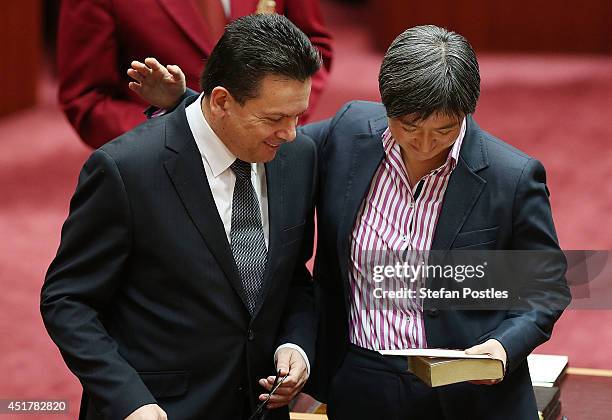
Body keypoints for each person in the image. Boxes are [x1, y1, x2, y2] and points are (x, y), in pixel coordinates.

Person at [131, 25, 571, 420]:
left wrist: (501, 349)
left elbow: (545, 288)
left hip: (465, 390)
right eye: (409, 126)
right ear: (388, 105)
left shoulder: (511, 176)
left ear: (467, 112)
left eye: (444, 130)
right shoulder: (349, 133)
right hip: (361, 377)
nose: (423, 144)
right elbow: (274, 137)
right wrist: (189, 102)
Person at [41, 14, 321, 420]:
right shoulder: (126, 170)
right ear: (222, 100)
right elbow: (67, 300)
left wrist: (296, 345)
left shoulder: (298, 157)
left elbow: (293, 277)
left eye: (298, 115)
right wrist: (129, 400)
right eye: (275, 118)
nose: (291, 133)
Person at [57, 0, 333, 148]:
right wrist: (181, 135)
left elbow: (314, 46)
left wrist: (275, 118)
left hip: (267, 153)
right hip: (166, 165)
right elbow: (87, 100)